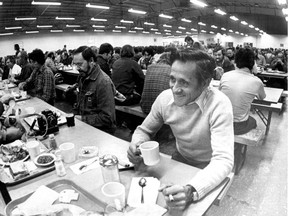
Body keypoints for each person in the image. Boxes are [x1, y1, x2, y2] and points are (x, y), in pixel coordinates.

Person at [128, 50, 234, 210]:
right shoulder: (164, 99)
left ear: (205, 83)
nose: (175, 89)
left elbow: (223, 160)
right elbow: (144, 130)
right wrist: (137, 144)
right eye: (172, 79)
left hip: (208, 164)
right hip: (180, 156)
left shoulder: (219, 104)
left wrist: (191, 191)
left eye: (184, 82)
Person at [219, 47, 266, 135]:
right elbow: (262, 98)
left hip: (221, 121)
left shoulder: (225, 75)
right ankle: (238, 148)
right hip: (237, 125)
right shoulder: (256, 81)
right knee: (253, 121)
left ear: (235, 62)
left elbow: (219, 93)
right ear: (253, 63)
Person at [72, 46, 116, 134]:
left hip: (102, 133)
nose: (77, 68)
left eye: (80, 64)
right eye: (75, 64)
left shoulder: (103, 82)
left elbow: (108, 118)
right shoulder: (83, 76)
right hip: (87, 126)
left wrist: (82, 119)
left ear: (91, 61)